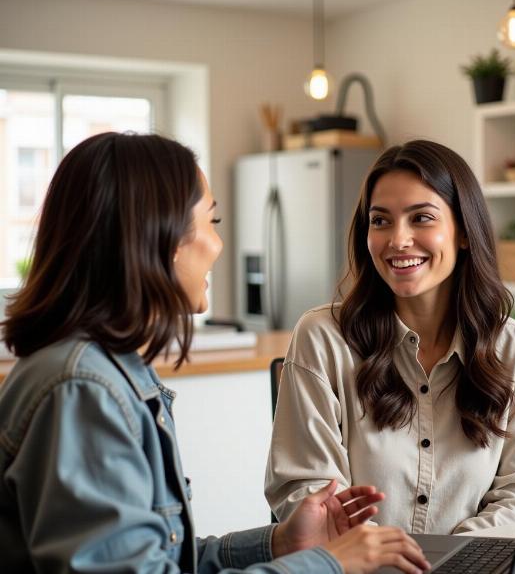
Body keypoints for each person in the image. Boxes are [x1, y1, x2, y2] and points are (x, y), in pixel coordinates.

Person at [0, 132, 430, 574]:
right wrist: (327, 565)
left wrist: (282, 543)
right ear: (160, 238)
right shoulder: (83, 392)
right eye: (212, 222)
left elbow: (163, 562)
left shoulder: (108, 375)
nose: (219, 245)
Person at [265, 140, 515, 535]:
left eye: (421, 218)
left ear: (464, 233)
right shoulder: (322, 340)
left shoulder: (513, 349)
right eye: (380, 221)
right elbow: (306, 490)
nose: (397, 240)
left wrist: (453, 560)